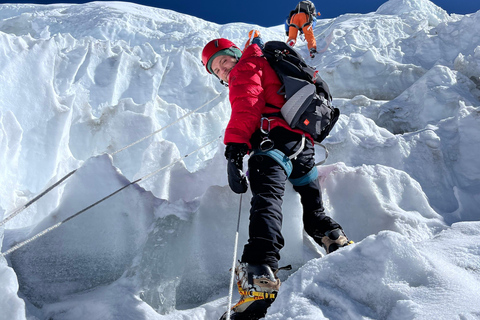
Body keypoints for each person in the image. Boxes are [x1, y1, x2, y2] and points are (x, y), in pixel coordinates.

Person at [201, 32, 352, 319]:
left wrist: (234, 149)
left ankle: (260, 274)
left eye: (222, 61)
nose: (223, 70)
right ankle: (336, 240)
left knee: (266, 202)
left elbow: (247, 104)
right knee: (314, 211)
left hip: (271, 145)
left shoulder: (246, 66)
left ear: (234, 54)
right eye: (216, 69)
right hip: (303, 149)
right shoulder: (267, 63)